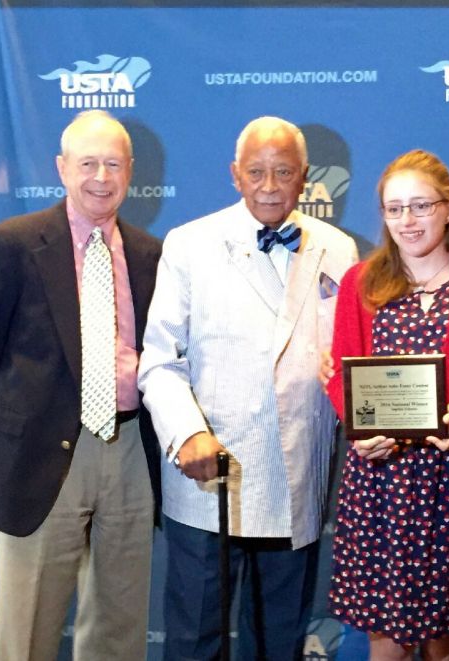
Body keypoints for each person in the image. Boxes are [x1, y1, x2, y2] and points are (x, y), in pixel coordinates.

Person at [137, 116, 358, 660]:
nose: (268, 185)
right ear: (234, 175)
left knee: (278, 642)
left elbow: (350, 362)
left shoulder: (338, 248)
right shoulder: (190, 244)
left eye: (282, 172)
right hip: (209, 476)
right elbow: (159, 360)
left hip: (296, 477)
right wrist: (186, 434)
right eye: (256, 171)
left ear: (304, 178)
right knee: (194, 638)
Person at [0, 110, 162, 660]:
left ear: (130, 170)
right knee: (27, 627)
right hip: (37, 454)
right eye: (88, 163)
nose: (100, 177)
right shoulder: (10, 246)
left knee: (118, 623)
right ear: (61, 168)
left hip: (130, 451)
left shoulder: (152, 256)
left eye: (112, 164)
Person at [326, 149, 449, 660]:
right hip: (379, 483)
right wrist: (360, 429)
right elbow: (340, 377)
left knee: (447, 644)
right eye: (394, 209)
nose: (406, 221)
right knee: (385, 642)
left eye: (420, 206)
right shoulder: (360, 282)